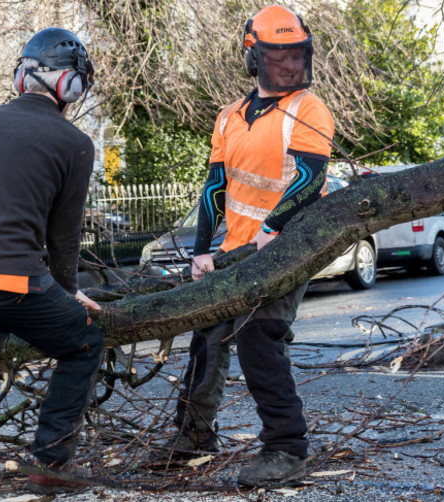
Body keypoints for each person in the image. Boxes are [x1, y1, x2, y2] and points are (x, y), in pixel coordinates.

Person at [168, 5, 334, 489]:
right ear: (253, 56)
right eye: (276, 56)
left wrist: (273, 227)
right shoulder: (229, 117)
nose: (287, 65)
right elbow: (215, 187)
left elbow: (311, 177)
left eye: (294, 56)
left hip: (288, 247)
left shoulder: (309, 108)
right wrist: (202, 248)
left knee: (259, 337)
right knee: (207, 335)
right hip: (235, 250)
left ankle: (286, 448)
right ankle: (192, 437)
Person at [0, 28, 103, 495]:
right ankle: (52, 463)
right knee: (84, 344)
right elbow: (64, 235)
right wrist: (70, 288)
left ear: (22, 75)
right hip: (16, 281)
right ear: (72, 87)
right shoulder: (74, 142)